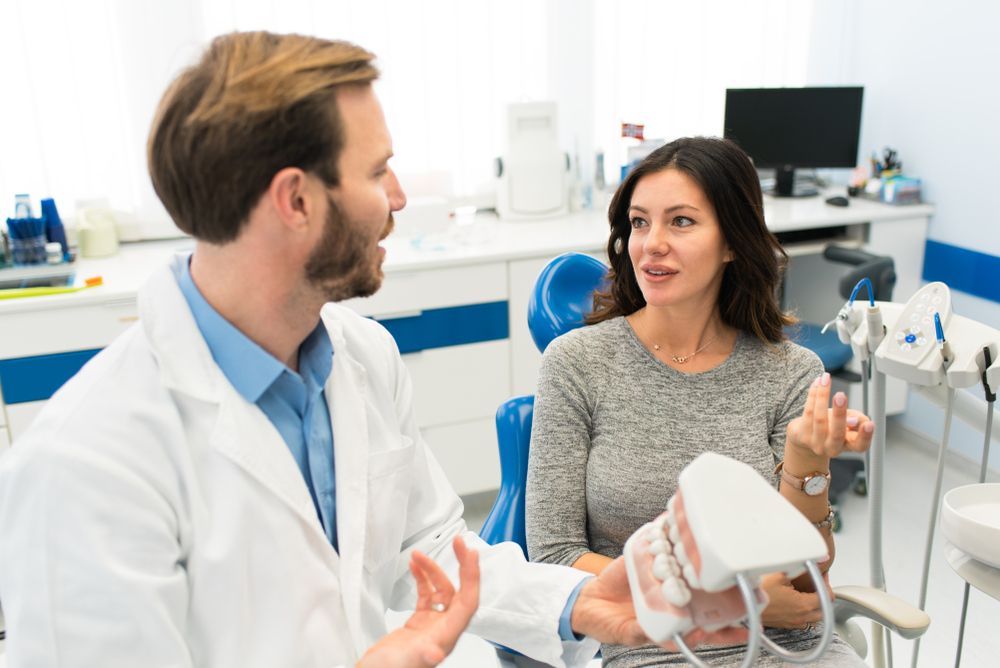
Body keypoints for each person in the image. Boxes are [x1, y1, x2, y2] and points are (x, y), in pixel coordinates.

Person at [0, 34, 746, 668]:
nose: (396, 195)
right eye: (375, 169)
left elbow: (431, 545)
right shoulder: (87, 466)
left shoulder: (359, 358)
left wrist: (583, 598)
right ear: (295, 201)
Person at [525, 136, 876, 667]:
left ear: (733, 241)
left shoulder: (791, 372)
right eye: (639, 223)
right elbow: (553, 556)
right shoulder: (576, 363)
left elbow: (806, 579)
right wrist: (732, 600)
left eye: (681, 222)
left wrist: (808, 463)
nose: (652, 244)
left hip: (791, 646)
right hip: (652, 637)